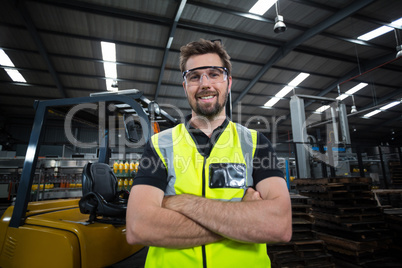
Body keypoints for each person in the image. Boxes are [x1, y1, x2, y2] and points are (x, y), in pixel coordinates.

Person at [126, 39, 292, 268]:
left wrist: (181, 203)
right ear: (185, 86)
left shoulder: (255, 144)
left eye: (214, 74)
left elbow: (279, 225)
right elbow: (138, 227)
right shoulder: (160, 145)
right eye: (194, 76)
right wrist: (243, 218)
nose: (205, 83)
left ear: (228, 82)